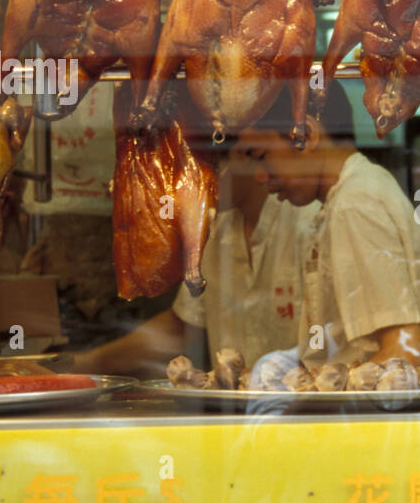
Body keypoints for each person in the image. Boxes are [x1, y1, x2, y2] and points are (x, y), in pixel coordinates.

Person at [234, 87, 420, 369]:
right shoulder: (355, 193)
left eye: (260, 155)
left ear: (306, 135)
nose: (258, 176)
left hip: (380, 413)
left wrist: (313, 399)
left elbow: (407, 354)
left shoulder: (354, 204)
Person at [75, 147, 319, 379]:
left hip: (307, 413)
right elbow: (180, 327)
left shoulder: (310, 224)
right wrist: (84, 364)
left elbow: (332, 340)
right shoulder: (215, 231)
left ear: (241, 154)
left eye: (199, 170)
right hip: (232, 415)